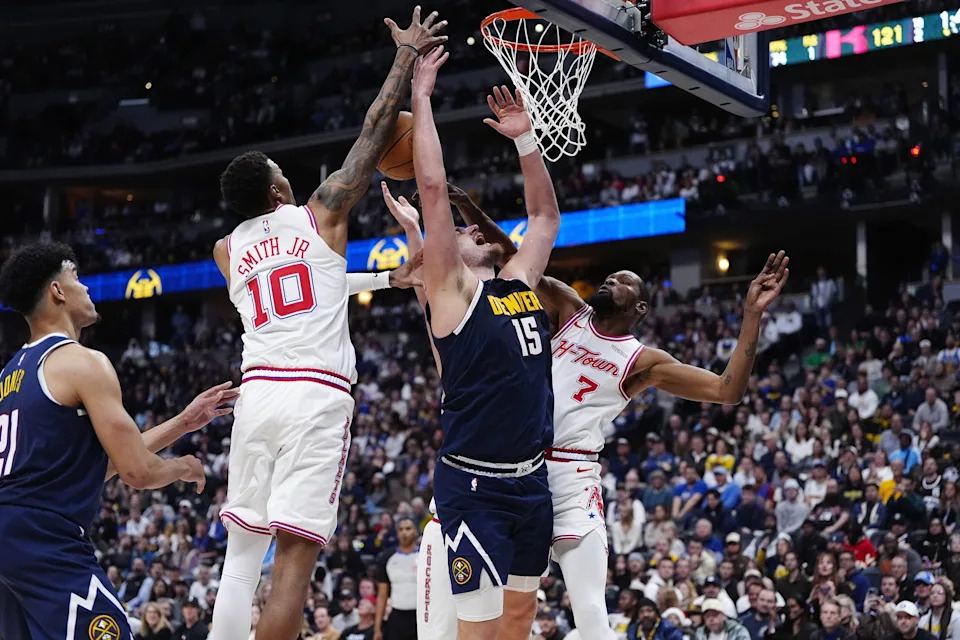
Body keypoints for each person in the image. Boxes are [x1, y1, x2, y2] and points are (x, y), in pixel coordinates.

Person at [424, 154, 788, 640]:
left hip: (572, 479)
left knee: (592, 613)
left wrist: (751, 315)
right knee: (503, 611)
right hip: (520, 466)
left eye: (620, 281)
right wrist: (471, 209)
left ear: (638, 307)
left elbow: (727, 390)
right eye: (609, 276)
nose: (608, 281)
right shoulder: (566, 308)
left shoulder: (642, 361)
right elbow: (515, 258)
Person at [207, 9, 445, 640]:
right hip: (315, 395)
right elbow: (373, 133)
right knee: (292, 565)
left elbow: (307, 285)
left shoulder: (225, 252)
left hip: (257, 393)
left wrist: (385, 281)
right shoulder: (322, 211)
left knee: (239, 560)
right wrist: (403, 58)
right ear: (281, 190)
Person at [0, 242, 231, 640]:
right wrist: (183, 467)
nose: (86, 288)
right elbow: (137, 471)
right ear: (58, 291)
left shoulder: (9, 374)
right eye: (76, 278)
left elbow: (91, 469)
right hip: (43, 537)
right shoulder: (83, 362)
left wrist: (184, 422)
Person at [414, 41, 560, 638]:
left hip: (531, 479)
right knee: (478, 630)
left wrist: (527, 138)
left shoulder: (517, 281)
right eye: (464, 232)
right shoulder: (452, 296)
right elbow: (432, 188)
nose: (475, 230)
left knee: (522, 615)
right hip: (474, 487)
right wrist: (420, 98)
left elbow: (546, 217)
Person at [375, 517, 419, 640]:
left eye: (408, 529)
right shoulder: (386, 558)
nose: (404, 532)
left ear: (416, 531)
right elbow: (382, 595)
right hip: (397, 616)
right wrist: (377, 628)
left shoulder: (426, 556)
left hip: (422, 615)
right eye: (400, 529)